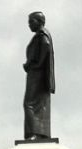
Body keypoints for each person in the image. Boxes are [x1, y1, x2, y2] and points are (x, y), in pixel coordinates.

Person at [23, 11, 55, 140]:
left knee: (29, 104)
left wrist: (33, 65)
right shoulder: (41, 35)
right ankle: (41, 134)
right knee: (41, 105)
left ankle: (35, 134)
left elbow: (46, 47)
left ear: (39, 21)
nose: (29, 25)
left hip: (37, 75)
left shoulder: (42, 35)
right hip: (38, 74)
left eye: (32, 21)